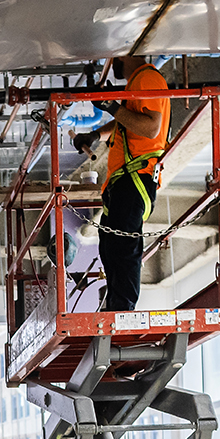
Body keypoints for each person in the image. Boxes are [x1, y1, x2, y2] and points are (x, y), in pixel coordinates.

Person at [72, 55, 169, 314]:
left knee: (123, 246)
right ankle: (116, 303)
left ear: (128, 53)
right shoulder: (137, 83)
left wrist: (112, 106)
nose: (109, 63)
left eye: (113, 57)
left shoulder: (148, 79)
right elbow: (129, 122)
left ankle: (122, 308)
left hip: (136, 176)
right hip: (125, 179)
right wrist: (96, 134)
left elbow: (150, 129)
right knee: (110, 244)